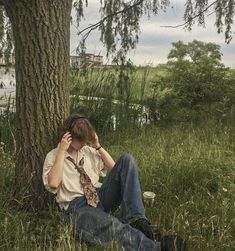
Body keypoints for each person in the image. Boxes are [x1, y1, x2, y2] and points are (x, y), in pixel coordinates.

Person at [43, 114, 187, 251]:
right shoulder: (54, 156)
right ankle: (155, 248)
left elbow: (115, 169)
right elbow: (54, 184)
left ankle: (136, 219)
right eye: (80, 140)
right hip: (78, 207)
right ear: (67, 135)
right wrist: (62, 151)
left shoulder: (87, 150)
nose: (83, 144)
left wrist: (97, 146)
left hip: (100, 195)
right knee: (113, 226)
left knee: (127, 160)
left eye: (85, 140)